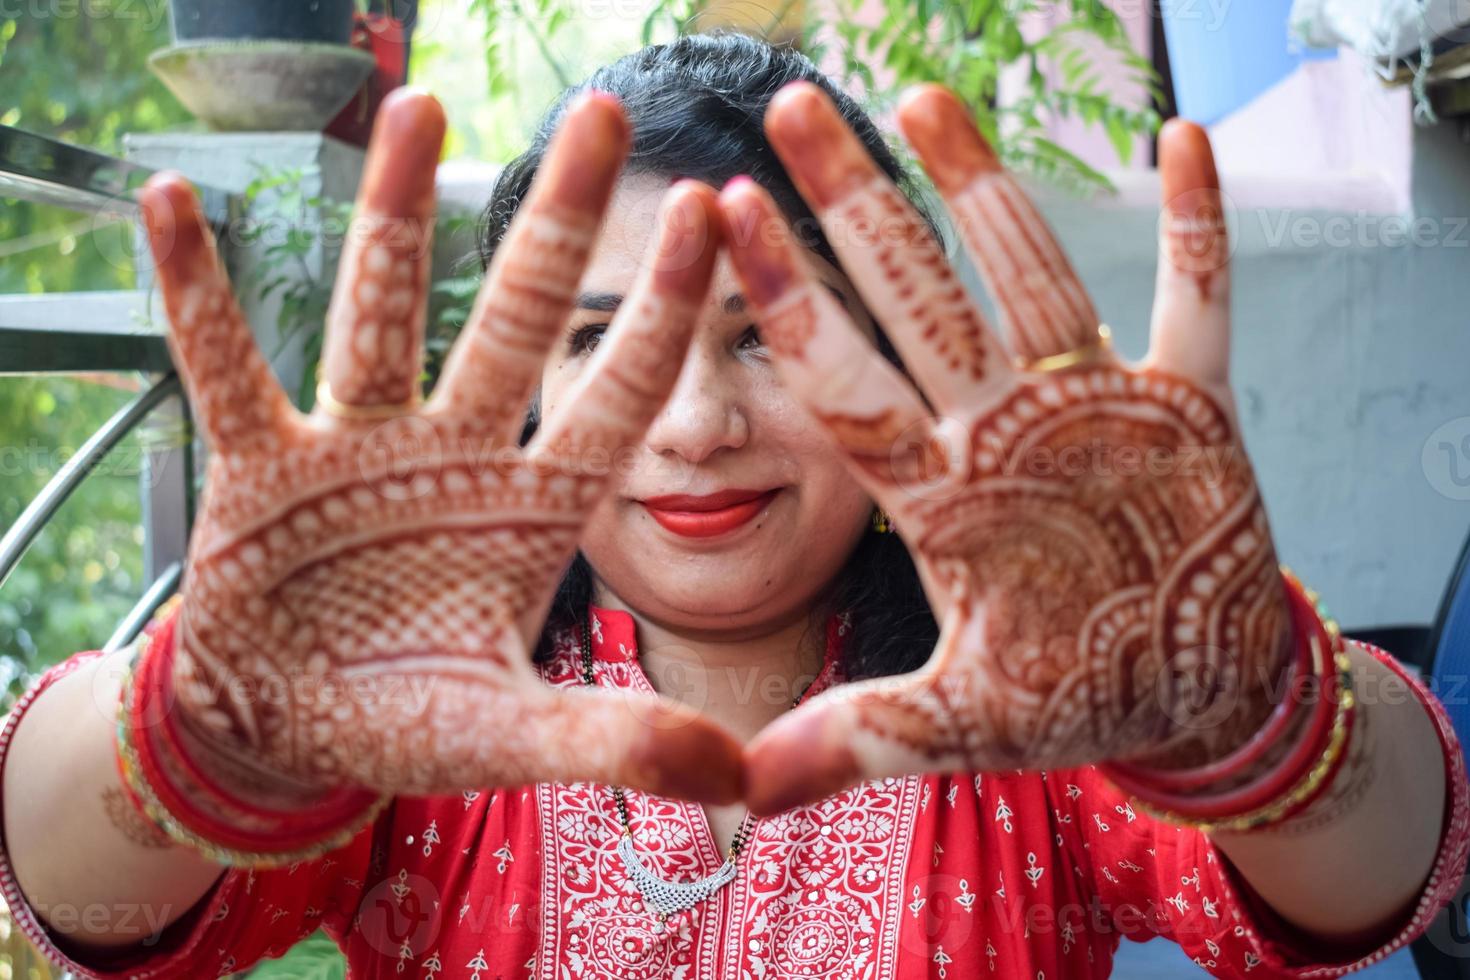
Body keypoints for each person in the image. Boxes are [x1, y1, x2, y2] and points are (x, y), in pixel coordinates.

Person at [0, 32, 1464, 980]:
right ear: (511, 403)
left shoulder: (1045, 700)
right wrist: (200, 719)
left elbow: (1370, 878)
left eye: (765, 332)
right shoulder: (410, 714)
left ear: (895, 371)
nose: (692, 424)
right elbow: (72, 888)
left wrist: (1253, 716)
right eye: (601, 342)